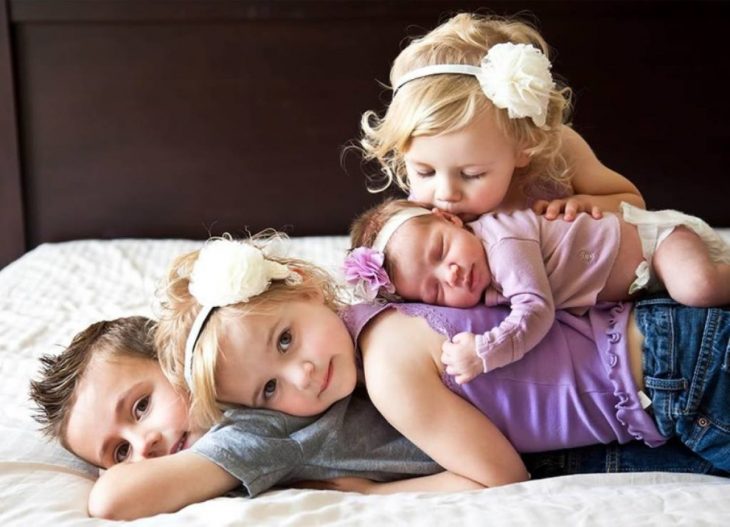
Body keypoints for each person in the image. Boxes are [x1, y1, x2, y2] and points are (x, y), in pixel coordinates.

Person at [28, 239, 728, 519]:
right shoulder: (263, 408)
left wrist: (364, 490)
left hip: (654, 370)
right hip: (615, 405)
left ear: (177, 355)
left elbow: (111, 502)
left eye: (140, 404)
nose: (142, 445)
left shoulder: (256, 431)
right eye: (115, 448)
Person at [347, 199, 730, 383]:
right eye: (433, 289)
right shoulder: (482, 280)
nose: (452, 274)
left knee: (698, 287)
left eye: (442, 250)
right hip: (643, 288)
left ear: (450, 219)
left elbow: (536, 311)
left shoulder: (502, 241)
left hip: (656, 245)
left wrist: (484, 352)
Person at [359, 12, 644, 222]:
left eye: (473, 174)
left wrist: (583, 203)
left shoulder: (559, 148)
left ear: (525, 147)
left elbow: (633, 202)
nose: (446, 193)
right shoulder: (421, 214)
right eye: (425, 172)